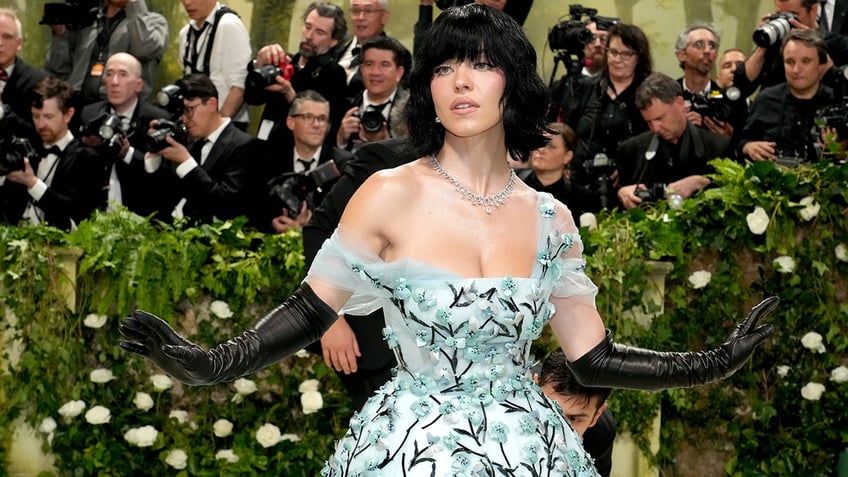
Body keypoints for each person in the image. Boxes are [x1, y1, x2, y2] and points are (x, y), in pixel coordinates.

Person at [119, 5, 778, 476]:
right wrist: (212, 362)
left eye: (482, 64)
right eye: (445, 67)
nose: (461, 79)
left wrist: (710, 362)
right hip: (409, 443)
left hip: (527, 445)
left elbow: (593, 357)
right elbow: (307, 309)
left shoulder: (551, 218)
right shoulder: (389, 191)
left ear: (513, 87)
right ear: (428, 88)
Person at [302, 137, 414, 412]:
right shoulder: (385, 159)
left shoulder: (497, 181)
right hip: (377, 344)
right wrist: (331, 316)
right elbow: (320, 229)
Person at [143, 73, 258, 224]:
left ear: (211, 104)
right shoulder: (188, 142)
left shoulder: (244, 145)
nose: (184, 119)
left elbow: (227, 204)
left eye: (189, 110)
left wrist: (186, 163)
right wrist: (156, 153)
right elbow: (159, 195)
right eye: (181, 112)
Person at [567, 23, 653, 210]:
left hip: (629, 188)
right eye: (613, 52)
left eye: (626, 54)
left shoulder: (648, 94)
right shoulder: (585, 88)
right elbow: (567, 131)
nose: (617, 59)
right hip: (581, 184)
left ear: (639, 57)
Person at [0, 77, 105, 231]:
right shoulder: (27, 147)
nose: (41, 125)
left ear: (68, 115)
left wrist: (33, 184)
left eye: (49, 117)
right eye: (36, 116)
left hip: (57, 246)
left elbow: (76, 210)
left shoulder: (87, 158)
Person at [617, 73, 730, 210]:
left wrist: (704, 183)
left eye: (660, 118)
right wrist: (622, 193)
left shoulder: (719, 146)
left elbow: (733, 195)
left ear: (680, 103)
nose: (655, 128)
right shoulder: (630, 150)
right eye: (648, 122)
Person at [245, 2, 348, 147]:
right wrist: (258, 65)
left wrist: (289, 94)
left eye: (320, 32)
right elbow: (252, 99)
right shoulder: (285, 61)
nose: (309, 36)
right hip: (266, 145)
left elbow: (323, 128)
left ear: (333, 41)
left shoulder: (333, 74)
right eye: (307, 27)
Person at [79, 52, 169, 216]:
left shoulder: (157, 120)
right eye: (109, 74)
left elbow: (163, 177)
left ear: (139, 85)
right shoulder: (90, 114)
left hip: (142, 217)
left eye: (123, 75)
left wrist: (128, 153)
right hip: (94, 215)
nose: (114, 82)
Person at [256, 90, 353, 234]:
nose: (316, 125)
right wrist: (273, 225)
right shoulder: (269, 161)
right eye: (308, 117)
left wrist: (313, 225)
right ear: (291, 122)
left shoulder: (344, 165)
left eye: (322, 119)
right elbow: (255, 209)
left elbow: (350, 219)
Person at [43, 0, 168, 106]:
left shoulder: (153, 22)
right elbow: (58, 70)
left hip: (119, 108)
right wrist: (60, 34)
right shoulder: (86, 21)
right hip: (75, 104)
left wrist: (134, 4)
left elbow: (143, 49)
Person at [739, 29, 834, 164]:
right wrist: (748, 147)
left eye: (805, 61)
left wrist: (839, 152)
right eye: (790, 62)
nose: (796, 69)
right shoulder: (766, 99)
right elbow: (741, 141)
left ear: (821, 66)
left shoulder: (836, 102)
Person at [533, 350, 616, 477]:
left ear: (596, 415)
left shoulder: (600, 435)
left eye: (573, 419)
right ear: (534, 387)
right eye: (550, 409)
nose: (558, 427)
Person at [178, 0, 252, 130]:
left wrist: (216, 130)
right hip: (196, 126)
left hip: (228, 126)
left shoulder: (229, 25)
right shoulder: (186, 33)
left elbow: (239, 87)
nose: (187, 3)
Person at [336, 36, 410, 151]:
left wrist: (388, 144)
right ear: (361, 69)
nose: (375, 72)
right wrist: (341, 140)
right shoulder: (344, 106)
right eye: (369, 64)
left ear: (399, 73)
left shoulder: (412, 111)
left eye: (384, 65)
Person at [518, 122, 599, 218]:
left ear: (567, 156)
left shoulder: (582, 199)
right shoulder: (510, 181)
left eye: (551, 146)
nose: (541, 150)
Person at [0, 8, 48, 132]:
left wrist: (1, 110)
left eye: (7, 37)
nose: (0, 43)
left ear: (19, 44)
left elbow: (42, 135)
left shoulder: (39, 82)